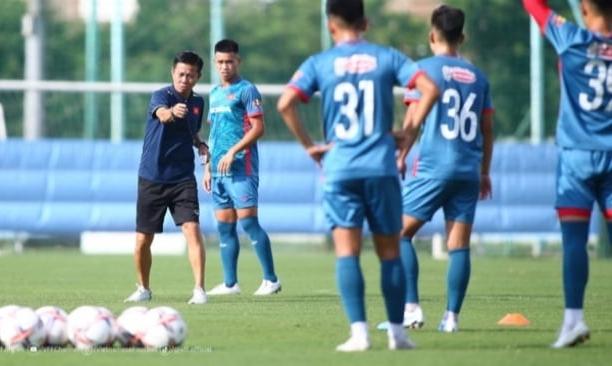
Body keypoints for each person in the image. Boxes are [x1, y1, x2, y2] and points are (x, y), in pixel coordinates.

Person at [277, 0, 439, 352]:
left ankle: (360, 334)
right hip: (381, 168)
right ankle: (397, 334)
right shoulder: (387, 57)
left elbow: (285, 103)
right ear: (365, 23)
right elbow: (430, 89)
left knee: (347, 254)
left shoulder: (319, 63)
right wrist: (408, 132)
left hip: (340, 169)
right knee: (389, 252)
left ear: (331, 25)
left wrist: (309, 146)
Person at [375, 4, 494, 333]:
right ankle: (451, 318)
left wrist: (401, 155)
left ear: (431, 35)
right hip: (469, 168)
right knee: (459, 245)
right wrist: (485, 171)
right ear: (463, 37)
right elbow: (488, 129)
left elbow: (413, 118)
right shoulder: (479, 76)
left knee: (398, 233)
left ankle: (411, 309)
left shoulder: (423, 70)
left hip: (433, 166)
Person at [523, 0, 612, 348]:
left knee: (574, 240)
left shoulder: (570, 36)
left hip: (576, 158)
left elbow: (533, 4)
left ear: (585, 9)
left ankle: (573, 320)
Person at [124, 51, 210, 305]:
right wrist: (172, 112)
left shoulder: (198, 103)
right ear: (173, 73)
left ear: (198, 77)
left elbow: (192, 132)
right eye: (181, 73)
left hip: (183, 178)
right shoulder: (161, 96)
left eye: (190, 75)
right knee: (143, 240)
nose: (185, 78)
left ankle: (199, 290)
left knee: (192, 230)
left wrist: (201, 145)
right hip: (152, 177)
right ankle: (143, 288)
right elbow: (162, 115)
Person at [203, 39, 281, 296]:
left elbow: (259, 128)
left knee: (248, 223)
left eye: (229, 61)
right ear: (215, 63)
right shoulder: (214, 93)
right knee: (224, 227)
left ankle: (271, 279)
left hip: (242, 168)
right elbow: (213, 133)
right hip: (218, 172)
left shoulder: (247, 90)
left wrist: (234, 151)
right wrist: (207, 168)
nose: (225, 66)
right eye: (220, 62)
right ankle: (230, 284)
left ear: (238, 62)